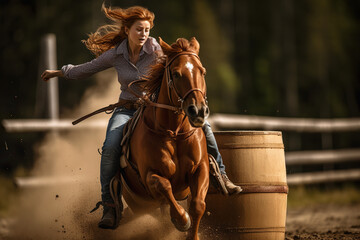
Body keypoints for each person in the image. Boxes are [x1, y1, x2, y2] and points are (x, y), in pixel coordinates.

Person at [41, 4, 241, 229]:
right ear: (127, 30)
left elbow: (181, 67)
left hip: (158, 108)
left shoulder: (156, 49)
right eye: (139, 29)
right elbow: (88, 68)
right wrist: (60, 72)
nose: (144, 34)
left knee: (204, 127)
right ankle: (110, 204)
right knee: (110, 147)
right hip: (126, 110)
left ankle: (221, 174)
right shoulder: (116, 54)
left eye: (146, 30)